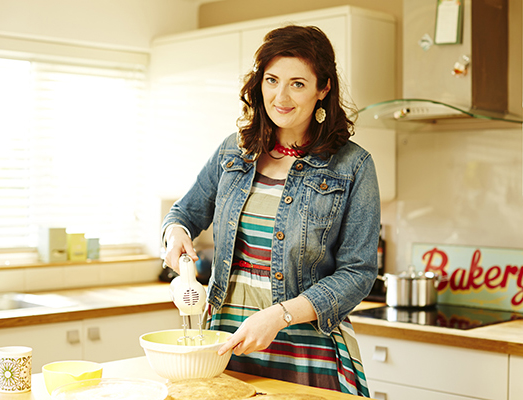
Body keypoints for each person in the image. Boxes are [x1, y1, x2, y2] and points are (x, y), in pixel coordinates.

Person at [162, 25, 380, 397]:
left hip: (307, 351)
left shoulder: (352, 166)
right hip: (226, 346)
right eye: (272, 80)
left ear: (322, 89)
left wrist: (278, 316)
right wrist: (175, 234)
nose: (281, 96)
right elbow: (184, 213)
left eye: (297, 83)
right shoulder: (233, 152)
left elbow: (358, 273)